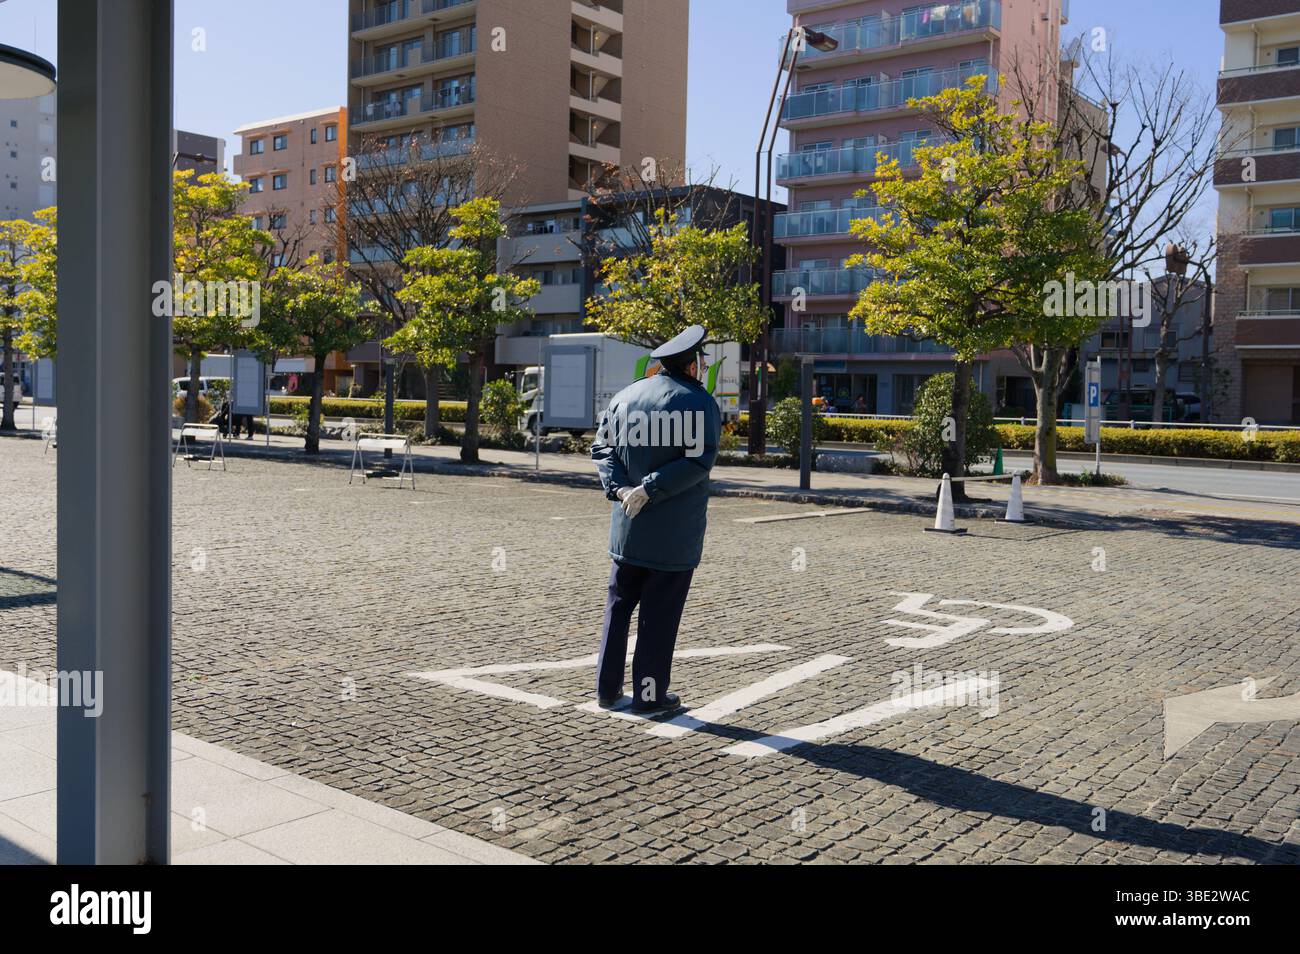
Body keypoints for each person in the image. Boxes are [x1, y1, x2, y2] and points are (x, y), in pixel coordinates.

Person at [590, 324, 721, 714]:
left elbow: (602, 449)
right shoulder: (699, 403)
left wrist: (622, 490)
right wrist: (651, 488)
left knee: (617, 609)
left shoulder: (625, 397)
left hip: (627, 531)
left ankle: (607, 689)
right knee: (658, 619)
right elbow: (699, 460)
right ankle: (649, 696)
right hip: (672, 535)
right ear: (693, 364)